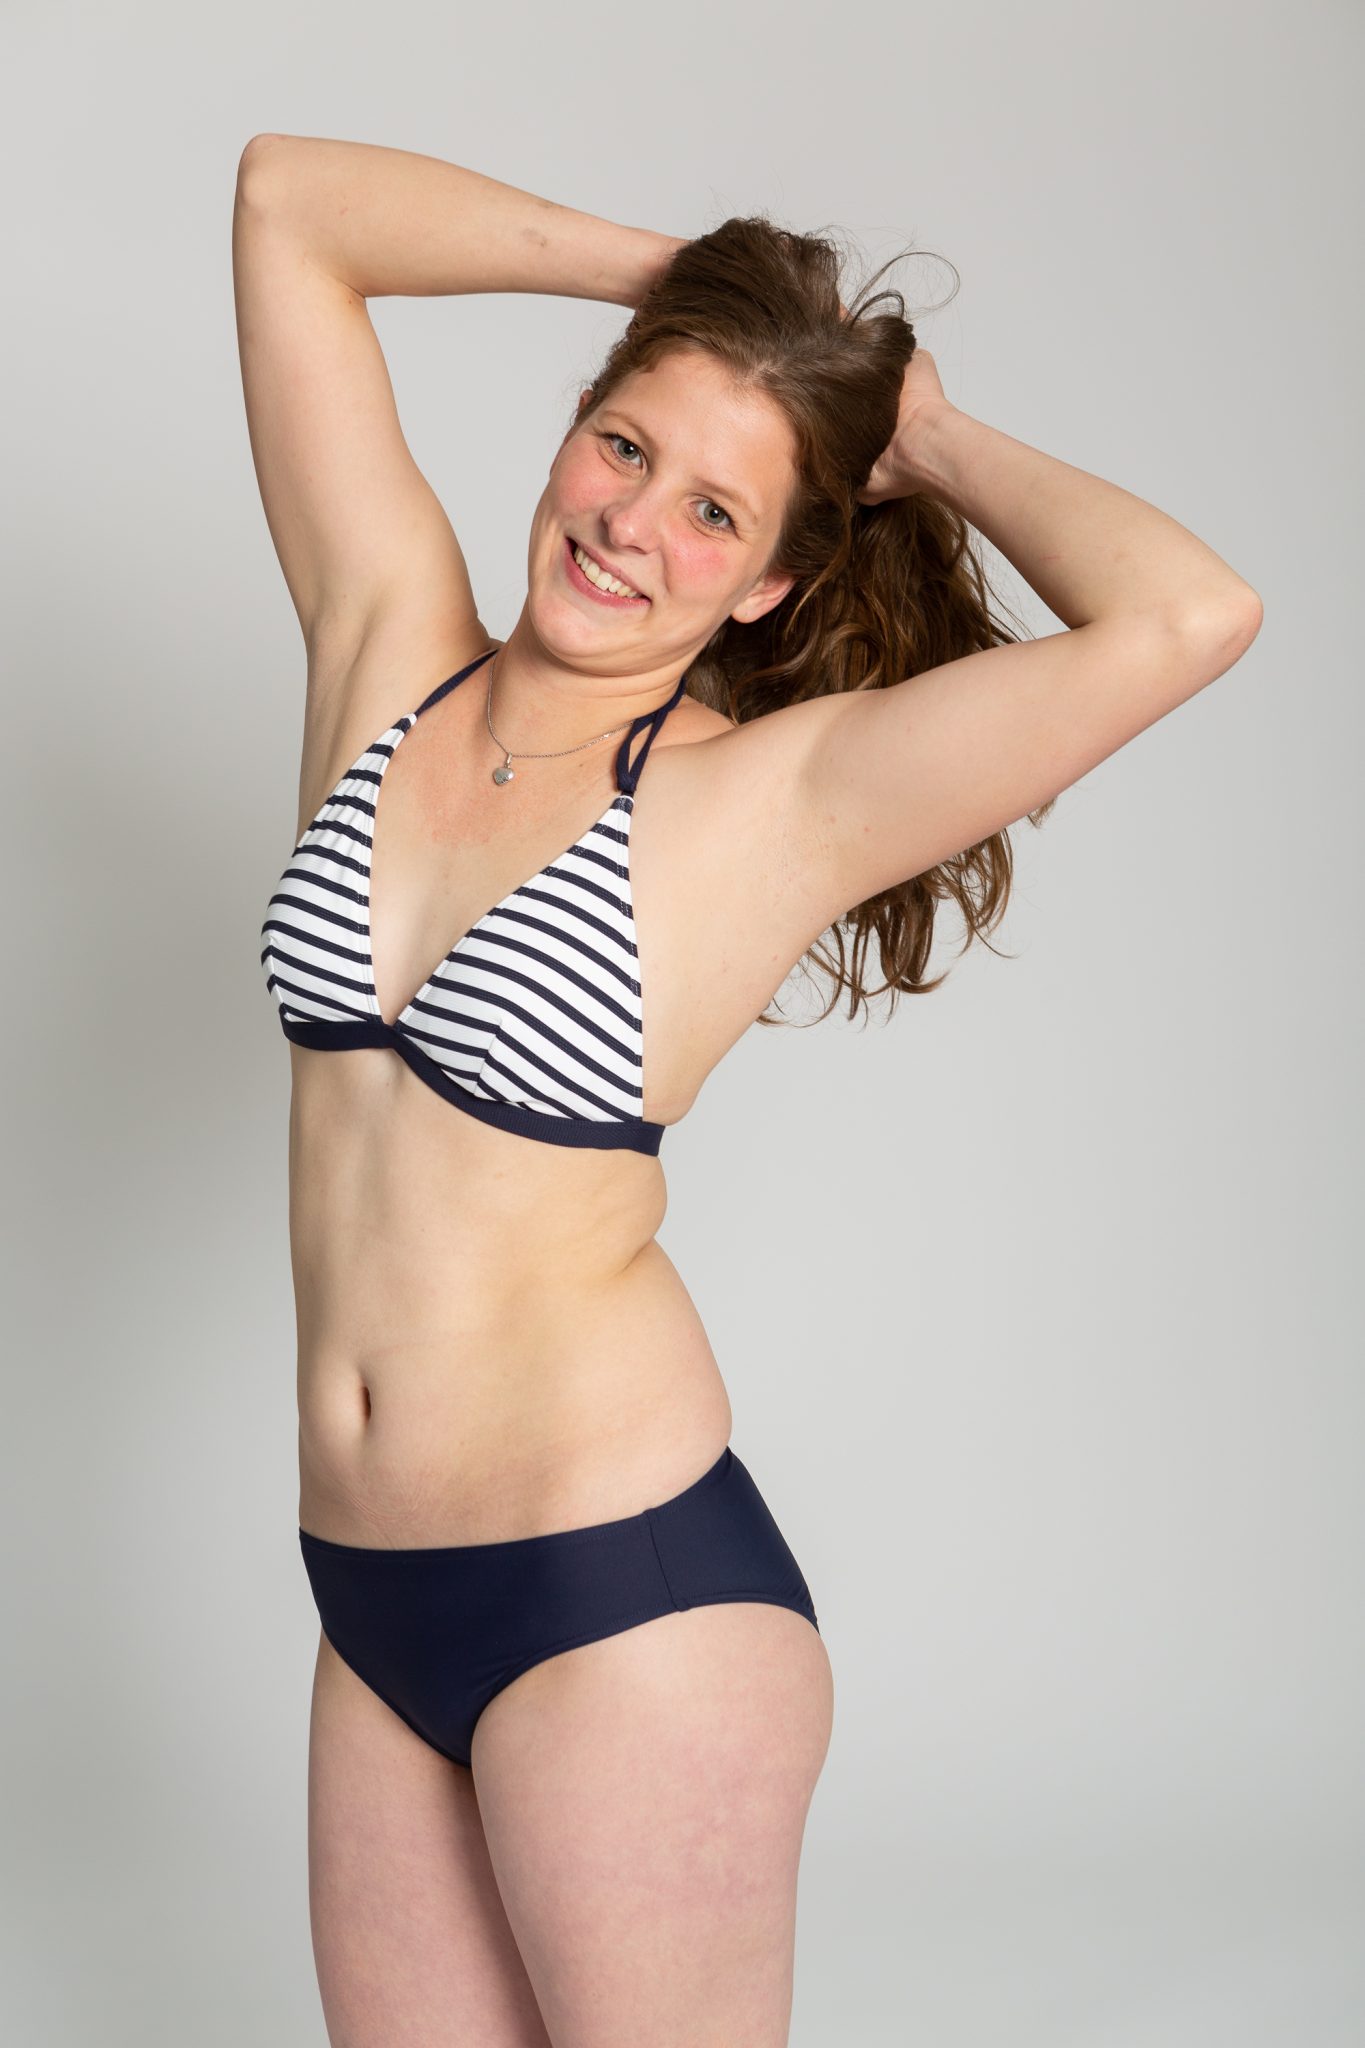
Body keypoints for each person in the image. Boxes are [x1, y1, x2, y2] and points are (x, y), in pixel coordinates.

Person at [233, 132, 1262, 2047]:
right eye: (621, 447)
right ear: (571, 433)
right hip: (366, 1599)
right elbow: (290, 204)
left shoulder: (773, 803)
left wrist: (923, 434)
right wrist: (684, 283)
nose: (631, 525)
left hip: (621, 1606)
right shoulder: (385, 650)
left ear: (778, 581)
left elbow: (1187, 617)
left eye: (713, 511)